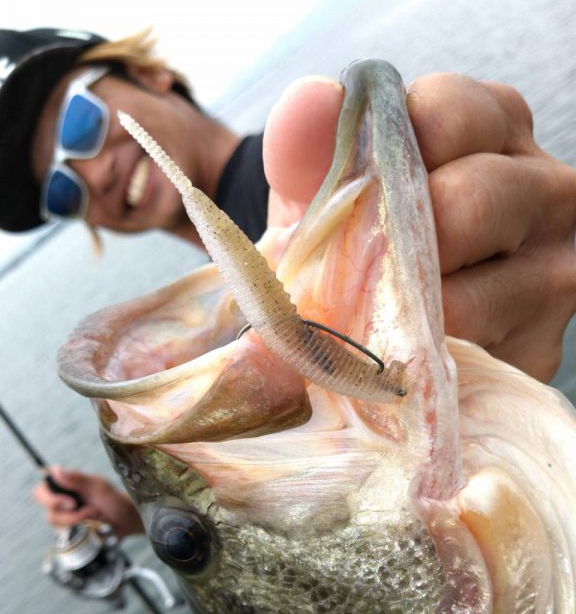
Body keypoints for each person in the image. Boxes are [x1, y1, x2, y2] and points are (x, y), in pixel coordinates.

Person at [1, 26, 575, 538]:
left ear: (149, 74)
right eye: (61, 191)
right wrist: (154, 515)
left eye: (80, 124)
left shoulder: (317, 184)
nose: (93, 174)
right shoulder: (213, 332)